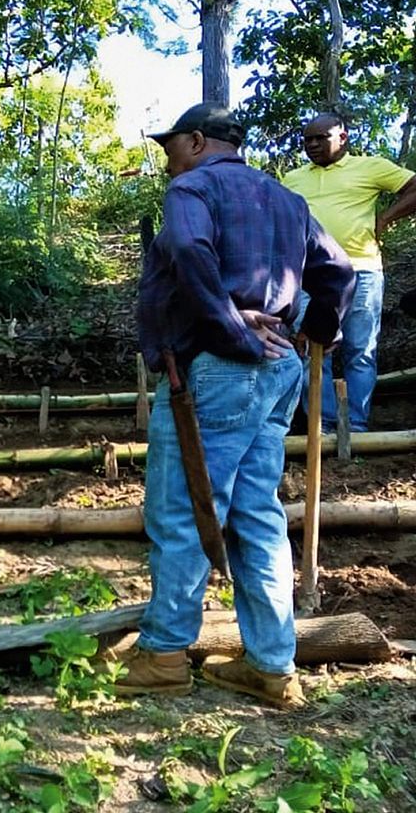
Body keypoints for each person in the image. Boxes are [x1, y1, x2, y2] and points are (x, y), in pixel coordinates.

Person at [117, 103, 354, 709]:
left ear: (197, 142)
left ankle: (166, 654)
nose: (168, 160)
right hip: (280, 371)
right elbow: (339, 271)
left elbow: (194, 254)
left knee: (184, 508)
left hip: (220, 371)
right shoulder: (286, 200)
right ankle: (273, 667)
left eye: (172, 146)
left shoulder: (191, 189)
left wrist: (228, 327)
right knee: (255, 513)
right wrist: (319, 326)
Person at [283, 113, 416, 432]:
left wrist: (385, 218)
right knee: (312, 348)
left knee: (361, 350)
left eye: (320, 138)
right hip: (308, 276)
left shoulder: (371, 167)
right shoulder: (293, 179)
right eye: (307, 140)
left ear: (342, 137)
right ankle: (324, 425)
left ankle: (355, 425)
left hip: (362, 269)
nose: (312, 145)